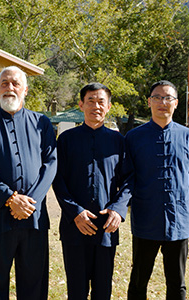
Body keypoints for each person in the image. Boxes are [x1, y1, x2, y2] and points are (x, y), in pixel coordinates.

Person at [0, 66, 57, 300]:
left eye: (15, 83)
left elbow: (51, 163)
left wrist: (30, 202)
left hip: (34, 217)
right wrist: (10, 199)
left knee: (34, 283)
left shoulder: (42, 123)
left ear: (25, 89)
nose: (10, 88)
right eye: (4, 83)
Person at [53, 82, 130, 300]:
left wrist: (117, 209)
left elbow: (128, 180)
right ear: (81, 105)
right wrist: (75, 212)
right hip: (74, 226)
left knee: (103, 290)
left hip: (107, 227)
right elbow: (58, 180)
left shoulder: (119, 142)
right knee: (76, 291)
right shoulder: (66, 140)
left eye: (101, 102)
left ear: (108, 107)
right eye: (90, 101)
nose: (96, 106)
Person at [124, 80, 188, 300]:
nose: (163, 102)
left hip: (179, 222)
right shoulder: (133, 138)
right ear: (149, 102)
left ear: (176, 103)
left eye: (168, 98)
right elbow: (126, 178)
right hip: (145, 221)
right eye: (158, 97)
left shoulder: (186, 136)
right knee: (139, 280)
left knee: (177, 284)